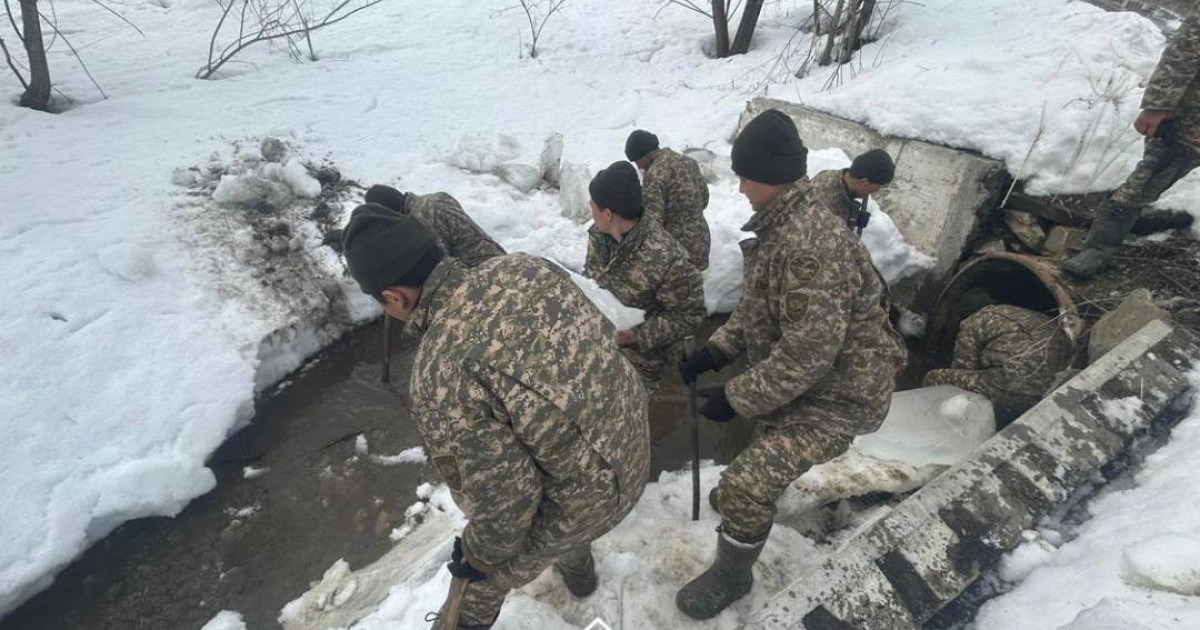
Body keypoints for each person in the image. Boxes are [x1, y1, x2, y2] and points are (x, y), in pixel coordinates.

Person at [339, 205, 650, 629]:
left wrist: (475, 556)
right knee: (558, 469)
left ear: (396, 297)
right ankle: (580, 573)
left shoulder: (439, 373)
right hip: (633, 442)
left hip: (595, 497)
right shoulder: (526, 267)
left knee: (475, 585)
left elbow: (508, 508)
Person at [674, 110, 906, 620]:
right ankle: (750, 500)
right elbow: (757, 310)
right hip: (810, 382)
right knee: (766, 442)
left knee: (746, 483)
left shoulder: (811, 247)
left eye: (746, 177)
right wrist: (718, 350)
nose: (740, 187)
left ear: (770, 177)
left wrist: (734, 397)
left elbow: (808, 353)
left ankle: (732, 576)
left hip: (841, 396)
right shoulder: (783, 227)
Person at [1063, 14, 1200, 279]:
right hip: (1190, 119)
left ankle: (1135, 218)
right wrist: (1158, 105)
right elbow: (1184, 52)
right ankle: (1099, 248)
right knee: (1151, 175)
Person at [584, 161, 706, 390]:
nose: (590, 210)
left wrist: (635, 335)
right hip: (598, 341)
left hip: (639, 361)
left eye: (593, 205)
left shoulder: (666, 257)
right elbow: (590, 277)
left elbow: (690, 316)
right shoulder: (599, 236)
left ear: (607, 213)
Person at [922, 288, 1074, 426]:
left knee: (935, 377)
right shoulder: (1019, 312)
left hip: (1019, 384)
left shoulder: (975, 321)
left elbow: (963, 367)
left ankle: (931, 423)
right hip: (1060, 385)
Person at [625, 129, 712, 270]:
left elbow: (653, 221)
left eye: (637, 161)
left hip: (677, 250)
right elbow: (704, 198)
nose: (638, 166)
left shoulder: (653, 175)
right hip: (702, 240)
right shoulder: (688, 162)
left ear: (645, 155)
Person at [364, 184, 506, 267]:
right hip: (497, 256)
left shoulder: (420, 219)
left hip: (482, 270)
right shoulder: (437, 197)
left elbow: (441, 265)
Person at [809, 148, 896, 235]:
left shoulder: (833, 175)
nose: (877, 191)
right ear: (864, 182)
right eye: (877, 187)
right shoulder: (830, 208)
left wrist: (853, 216)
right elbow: (837, 239)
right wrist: (848, 226)